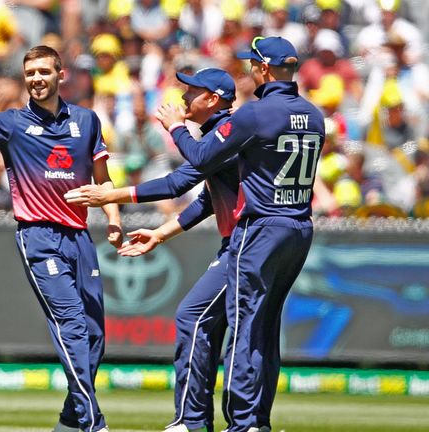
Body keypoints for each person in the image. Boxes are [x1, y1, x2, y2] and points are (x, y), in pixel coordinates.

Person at [0, 45, 122, 432]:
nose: (36, 79)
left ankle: (70, 423)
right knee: (71, 323)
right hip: (39, 236)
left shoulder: (87, 122)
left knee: (94, 337)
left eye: (43, 71)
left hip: (80, 238)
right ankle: (93, 423)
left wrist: (115, 220)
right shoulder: (11, 123)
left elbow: (104, 183)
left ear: (60, 74)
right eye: (30, 73)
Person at [67, 68, 239, 432]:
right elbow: (208, 199)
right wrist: (161, 233)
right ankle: (234, 422)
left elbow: (178, 182)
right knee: (233, 328)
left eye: (193, 91)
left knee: (194, 317)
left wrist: (109, 195)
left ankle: (195, 422)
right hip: (241, 243)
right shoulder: (218, 134)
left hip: (245, 244)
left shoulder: (228, 131)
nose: (183, 98)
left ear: (214, 99)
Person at [169, 37, 325, 432]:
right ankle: (257, 419)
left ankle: (243, 423)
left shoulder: (255, 115)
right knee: (266, 325)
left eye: (253, 64)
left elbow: (202, 158)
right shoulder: (315, 115)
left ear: (265, 70)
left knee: (243, 324)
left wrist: (176, 128)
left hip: (261, 228)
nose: (250, 70)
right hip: (299, 228)